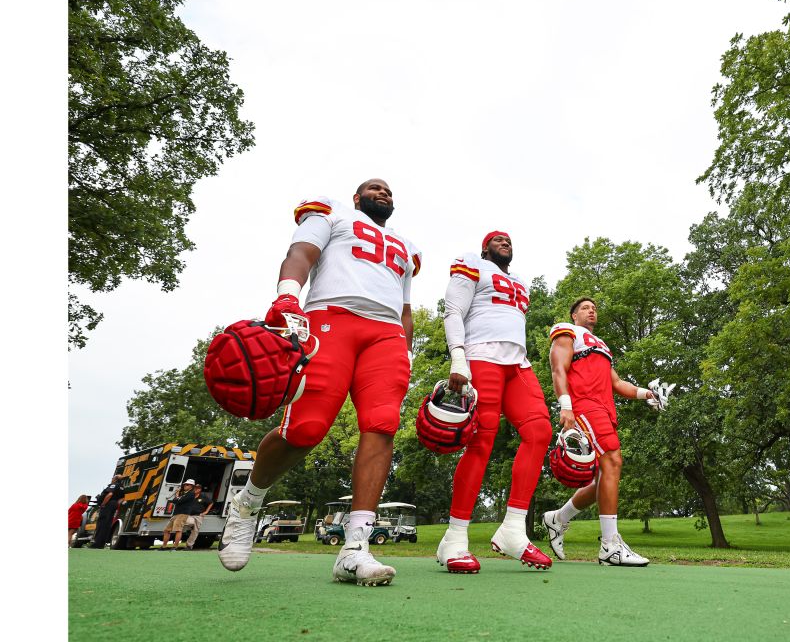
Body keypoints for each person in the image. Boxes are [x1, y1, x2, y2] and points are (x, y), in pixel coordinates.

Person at [218, 178, 419, 587]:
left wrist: (407, 350)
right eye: (375, 188)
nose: (384, 194)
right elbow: (300, 252)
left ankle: (355, 549)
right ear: (356, 196)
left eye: (389, 192)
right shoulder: (331, 211)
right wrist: (288, 296)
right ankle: (247, 501)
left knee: (382, 424)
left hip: (385, 334)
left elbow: (405, 307)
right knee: (306, 430)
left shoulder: (406, 246)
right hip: (330, 318)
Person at [436, 231, 554, 573]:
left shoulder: (520, 282)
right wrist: (458, 359)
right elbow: (454, 310)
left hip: (517, 362)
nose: (506, 242)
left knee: (539, 431)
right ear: (484, 247)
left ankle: (513, 530)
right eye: (498, 239)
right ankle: (455, 537)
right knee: (481, 440)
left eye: (509, 240)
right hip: (481, 354)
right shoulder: (472, 264)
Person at [540, 297, 662, 567]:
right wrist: (565, 406)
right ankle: (610, 546)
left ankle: (558, 518)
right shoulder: (567, 331)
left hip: (605, 410)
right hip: (584, 406)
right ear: (573, 315)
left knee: (601, 480)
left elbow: (617, 383)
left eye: (594, 308)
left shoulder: (602, 346)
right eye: (585, 308)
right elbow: (558, 367)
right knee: (613, 461)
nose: (591, 310)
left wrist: (647, 394)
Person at [89, 474, 127, 549]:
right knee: (107, 524)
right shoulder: (122, 487)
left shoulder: (113, 485)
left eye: (113, 478)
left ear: (115, 479)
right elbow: (122, 498)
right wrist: (116, 504)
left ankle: (97, 543)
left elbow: (110, 494)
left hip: (108, 505)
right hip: (113, 505)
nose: (112, 479)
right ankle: (102, 543)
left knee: (102, 524)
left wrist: (103, 504)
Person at [162, 480, 198, 550]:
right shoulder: (184, 493)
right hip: (176, 513)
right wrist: (177, 497)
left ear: (191, 486)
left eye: (187, 485)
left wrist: (177, 496)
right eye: (185, 484)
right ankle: (163, 546)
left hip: (182, 513)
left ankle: (175, 547)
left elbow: (179, 501)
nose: (185, 486)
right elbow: (175, 501)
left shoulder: (191, 494)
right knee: (166, 530)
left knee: (178, 530)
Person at [184, 484, 214, 550]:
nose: (195, 489)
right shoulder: (190, 495)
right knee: (189, 523)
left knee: (195, 531)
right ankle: (191, 526)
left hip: (198, 516)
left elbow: (211, 503)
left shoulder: (203, 496)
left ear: (199, 489)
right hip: (189, 515)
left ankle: (189, 545)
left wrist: (206, 512)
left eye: (196, 488)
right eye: (194, 488)